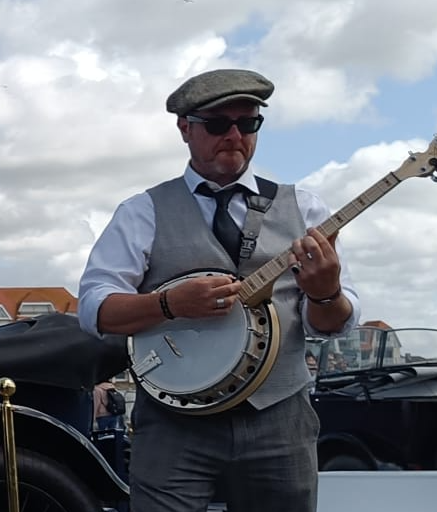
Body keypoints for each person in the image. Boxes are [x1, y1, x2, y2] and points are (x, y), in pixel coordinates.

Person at [74, 68, 359, 512]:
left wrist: (326, 293)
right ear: (185, 128)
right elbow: (94, 309)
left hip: (279, 415)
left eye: (248, 124)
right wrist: (168, 304)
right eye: (217, 124)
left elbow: (329, 326)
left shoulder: (305, 207)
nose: (234, 135)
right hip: (174, 423)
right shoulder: (142, 212)